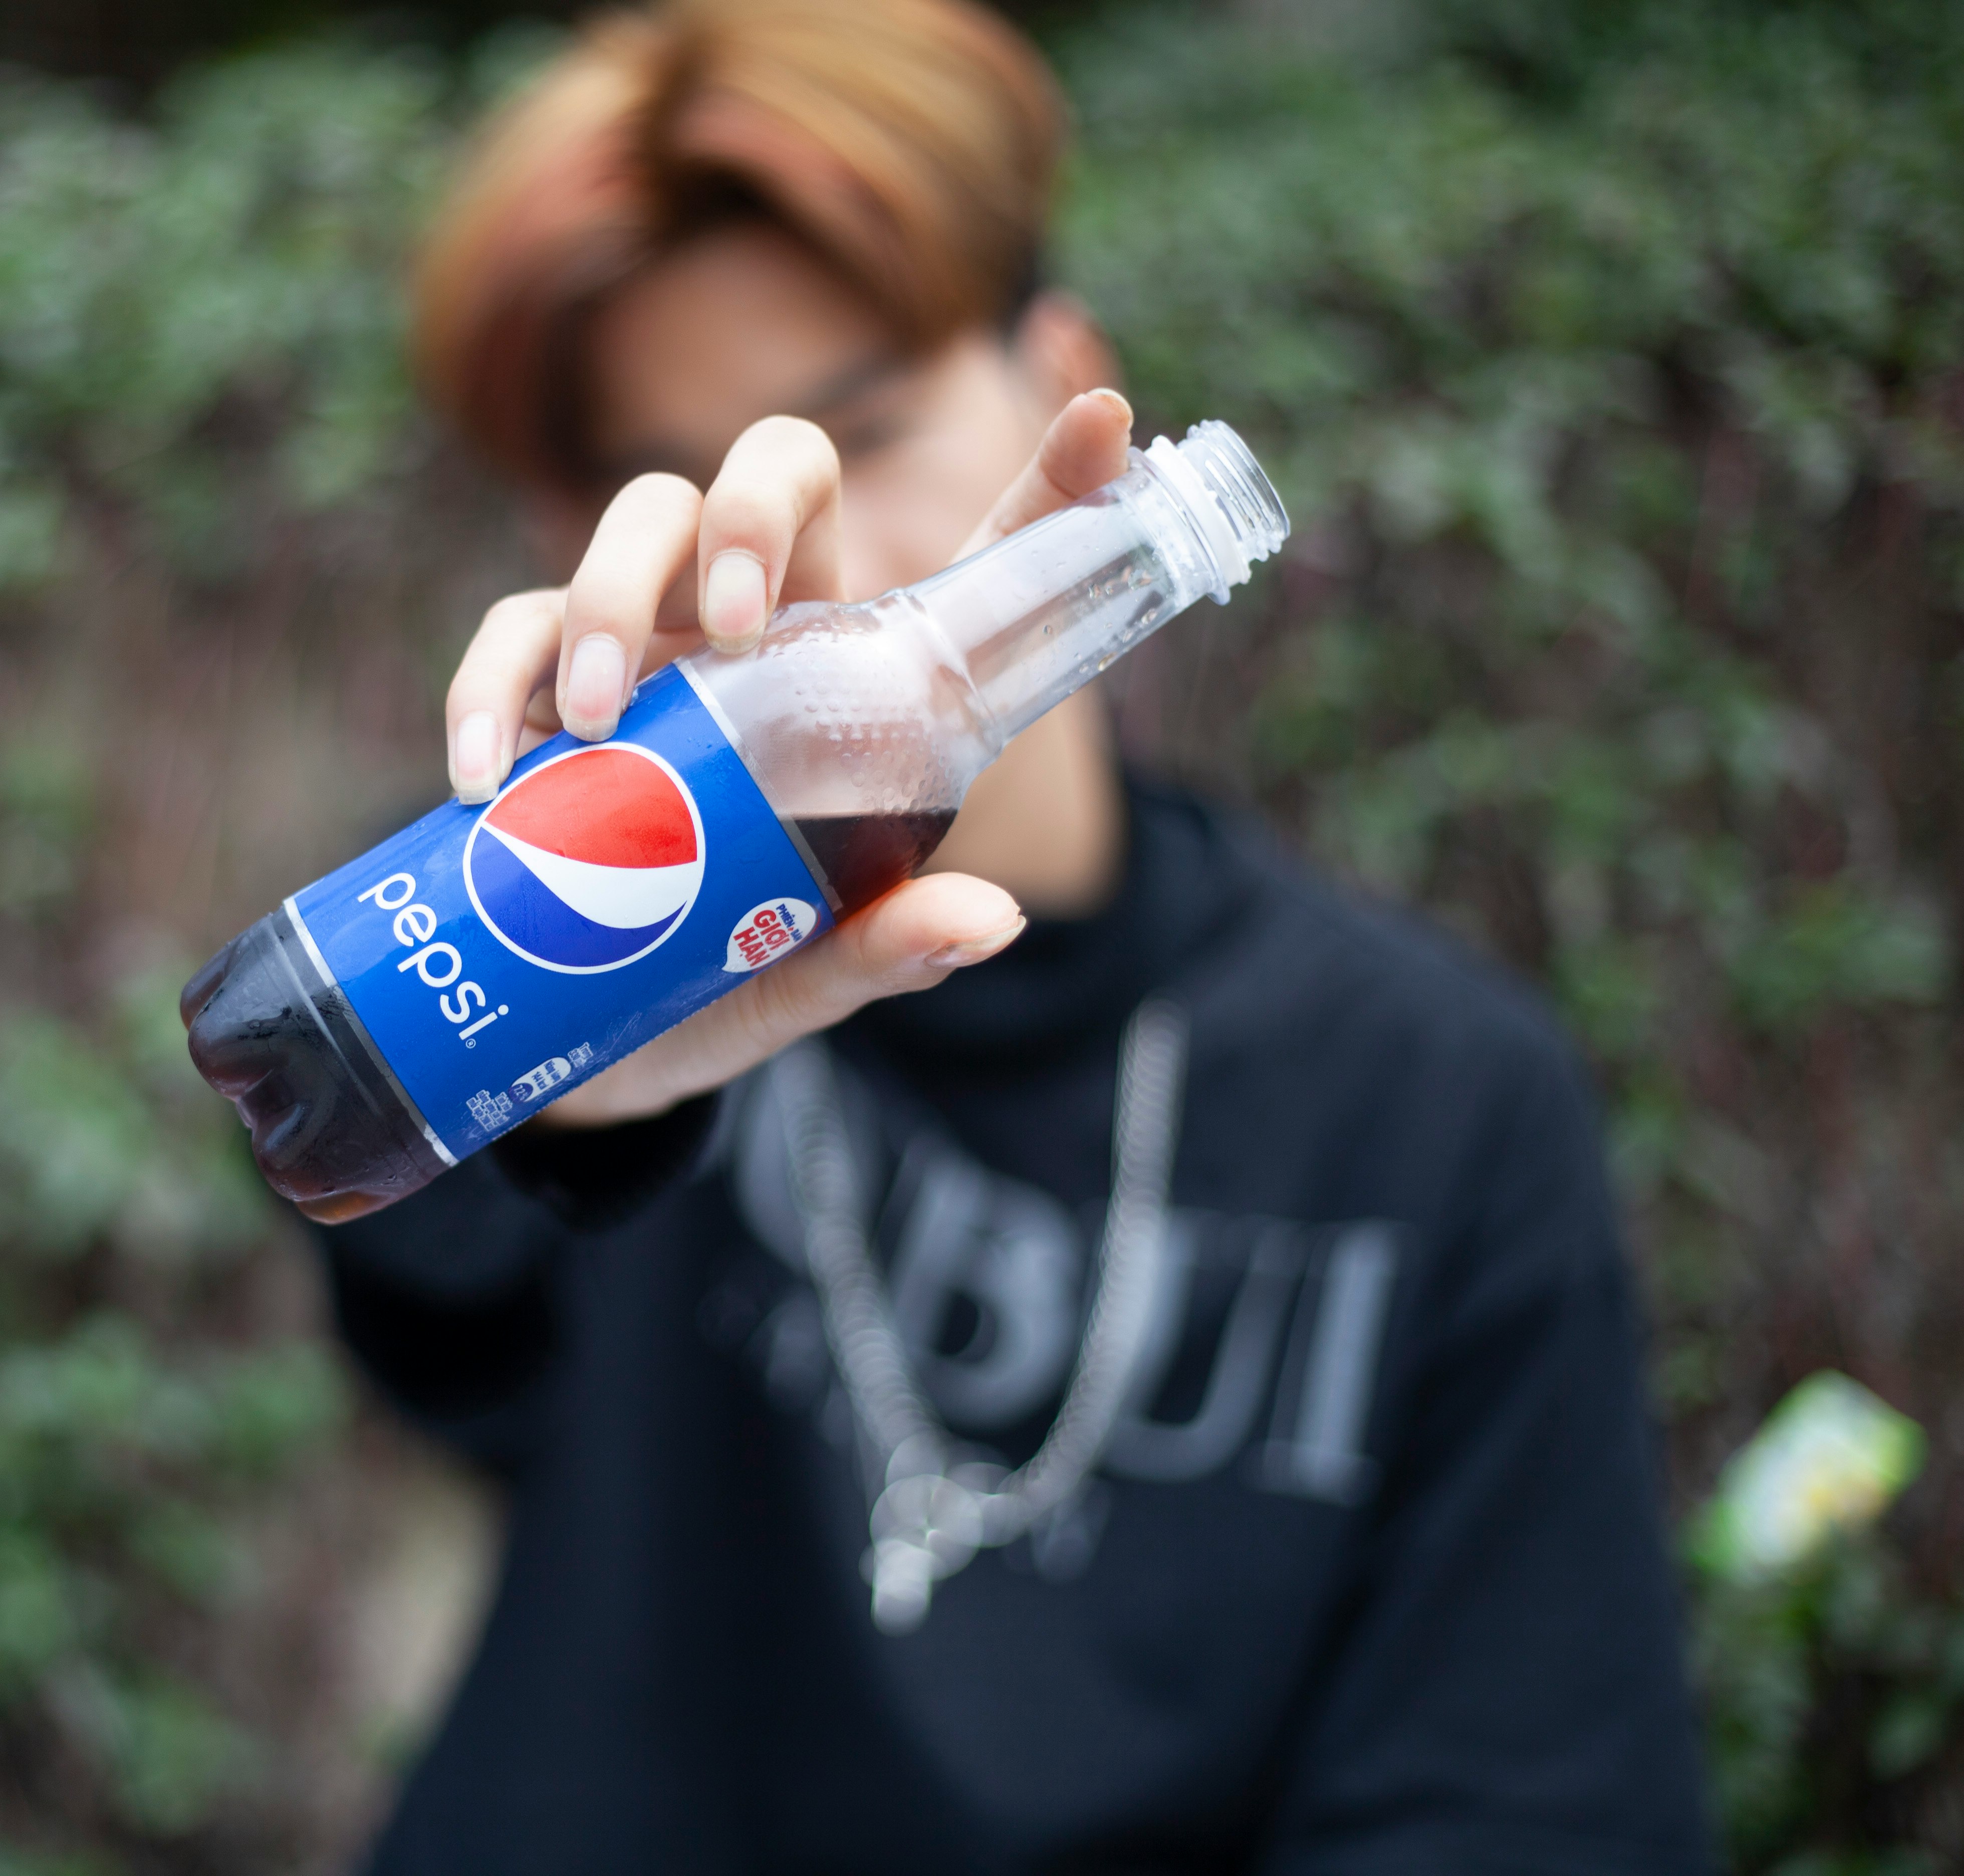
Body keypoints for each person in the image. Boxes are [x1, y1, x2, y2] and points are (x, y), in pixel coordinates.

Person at [324, 1, 1715, 1868]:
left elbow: (1529, 1808)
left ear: (1065, 386)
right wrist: (574, 1029)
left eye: (861, 422)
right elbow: (434, 1313)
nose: (788, 538)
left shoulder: (1437, 1104)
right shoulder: (587, 940)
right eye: (673, 466)